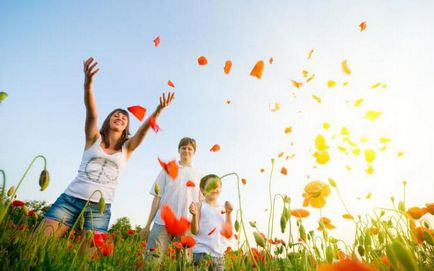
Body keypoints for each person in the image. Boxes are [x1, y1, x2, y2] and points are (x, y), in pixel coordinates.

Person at [41, 57, 174, 238]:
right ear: (108, 120)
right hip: (70, 200)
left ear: (126, 127)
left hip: (100, 209)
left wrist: (158, 110)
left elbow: (143, 132)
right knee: (38, 244)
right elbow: (91, 113)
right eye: (116, 115)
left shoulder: (128, 148)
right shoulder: (93, 138)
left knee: (86, 261)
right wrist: (88, 85)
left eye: (124, 118)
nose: (120, 117)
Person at [143, 137, 203, 261]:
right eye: (183, 148)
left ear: (194, 152)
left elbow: (201, 203)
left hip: (186, 224)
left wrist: (196, 226)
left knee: (183, 264)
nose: (186, 150)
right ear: (179, 150)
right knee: (151, 261)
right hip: (162, 222)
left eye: (189, 148)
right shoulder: (167, 169)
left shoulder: (199, 173)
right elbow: (156, 197)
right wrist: (148, 224)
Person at [189, 174, 233, 271]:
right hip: (202, 253)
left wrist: (229, 214)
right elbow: (194, 231)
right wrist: (194, 215)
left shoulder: (223, 209)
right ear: (202, 189)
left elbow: (228, 233)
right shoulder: (200, 206)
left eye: (217, 186)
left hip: (219, 256)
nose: (214, 189)